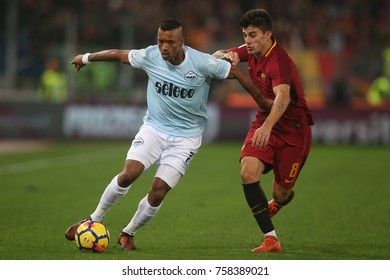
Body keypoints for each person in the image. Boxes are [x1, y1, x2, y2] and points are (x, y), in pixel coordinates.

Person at [64, 18, 272, 250]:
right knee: (129, 174)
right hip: (154, 128)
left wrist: (262, 101)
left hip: (186, 138)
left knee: (158, 191)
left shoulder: (202, 62)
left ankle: (129, 232)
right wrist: (86, 57)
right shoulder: (150, 56)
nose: (164, 47)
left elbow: (236, 73)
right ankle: (93, 219)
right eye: (161, 41)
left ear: (181, 42)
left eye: (170, 42)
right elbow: (119, 54)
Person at [213, 9, 314, 253]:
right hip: (264, 120)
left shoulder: (279, 60)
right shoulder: (250, 49)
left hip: (293, 130)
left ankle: (279, 202)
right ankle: (271, 239)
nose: (247, 40)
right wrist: (226, 55)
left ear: (267, 35)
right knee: (248, 173)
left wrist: (268, 127)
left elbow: (284, 98)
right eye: (245, 35)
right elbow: (216, 55)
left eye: (253, 35)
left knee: (281, 193)